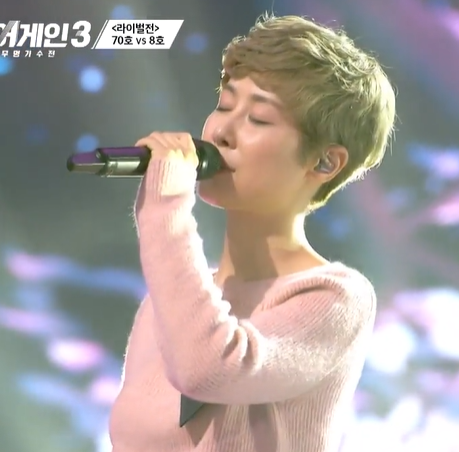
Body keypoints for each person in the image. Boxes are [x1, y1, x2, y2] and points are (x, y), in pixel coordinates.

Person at [107, 14, 396, 452]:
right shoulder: (169, 302)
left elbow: (208, 369)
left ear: (324, 162)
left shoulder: (335, 298)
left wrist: (164, 208)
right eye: (224, 106)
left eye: (258, 118)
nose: (221, 132)